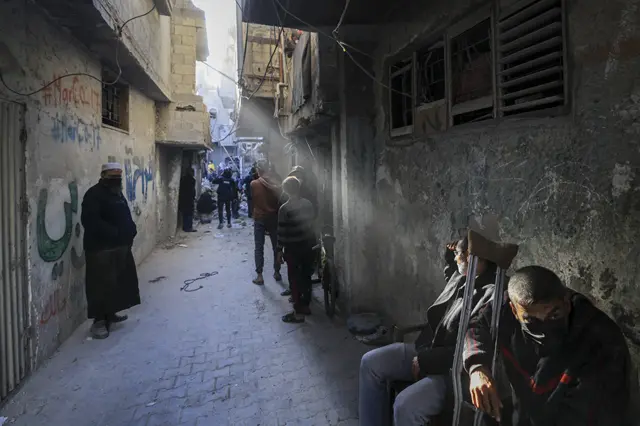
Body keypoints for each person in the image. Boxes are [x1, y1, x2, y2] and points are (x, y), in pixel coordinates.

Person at [463, 265, 632, 426]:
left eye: (554, 315)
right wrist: (478, 368)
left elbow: (594, 414)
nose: (544, 330)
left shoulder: (600, 340)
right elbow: (477, 326)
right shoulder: (503, 310)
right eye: (531, 320)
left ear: (567, 302)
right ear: (515, 311)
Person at [359, 238, 498, 426]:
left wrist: (426, 360)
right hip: (426, 348)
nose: (457, 259)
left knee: (405, 406)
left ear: (477, 260)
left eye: (461, 255)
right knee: (370, 363)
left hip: (450, 371)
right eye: (457, 254)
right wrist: (452, 253)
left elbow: (471, 347)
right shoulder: (462, 277)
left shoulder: (490, 296)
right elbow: (451, 272)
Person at [81, 163, 140, 339]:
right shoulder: (93, 194)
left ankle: (111, 315)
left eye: (118, 178)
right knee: (100, 286)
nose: (116, 180)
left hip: (119, 247)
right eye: (113, 177)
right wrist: (115, 233)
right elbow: (91, 222)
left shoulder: (117, 193)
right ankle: (98, 322)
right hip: (100, 250)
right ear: (104, 176)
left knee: (116, 283)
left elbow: (124, 214)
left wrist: (130, 229)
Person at [276, 176, 316, 323]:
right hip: (307, 245)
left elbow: (282, 232)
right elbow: (311, 225)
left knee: (294, 278)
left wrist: (279, 251)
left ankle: (298, 312)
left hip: (292, 248)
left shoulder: (284, 209)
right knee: (306, 276)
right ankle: (306, 305)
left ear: (285, 190)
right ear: (299, 188)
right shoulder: (308, 204)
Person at [250, 161, 282, 285]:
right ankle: (277, 272)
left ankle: (259, 275)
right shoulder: (276, 184)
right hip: (273, 217)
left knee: (259, 247)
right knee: (276, 246)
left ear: (258, 170)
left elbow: (253, 200)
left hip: (259, 218)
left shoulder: (254, 184)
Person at [178, 167, 197, 232]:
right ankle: (189, 227)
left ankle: (185, 227)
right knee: (189, 214)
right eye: (193, 172)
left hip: (183, 199)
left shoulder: (182, 179)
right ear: (190, 172)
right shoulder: (192, 180)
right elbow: (192, 190)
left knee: (185, 213)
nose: (194, 173)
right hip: (189, 199)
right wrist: (193, 197)